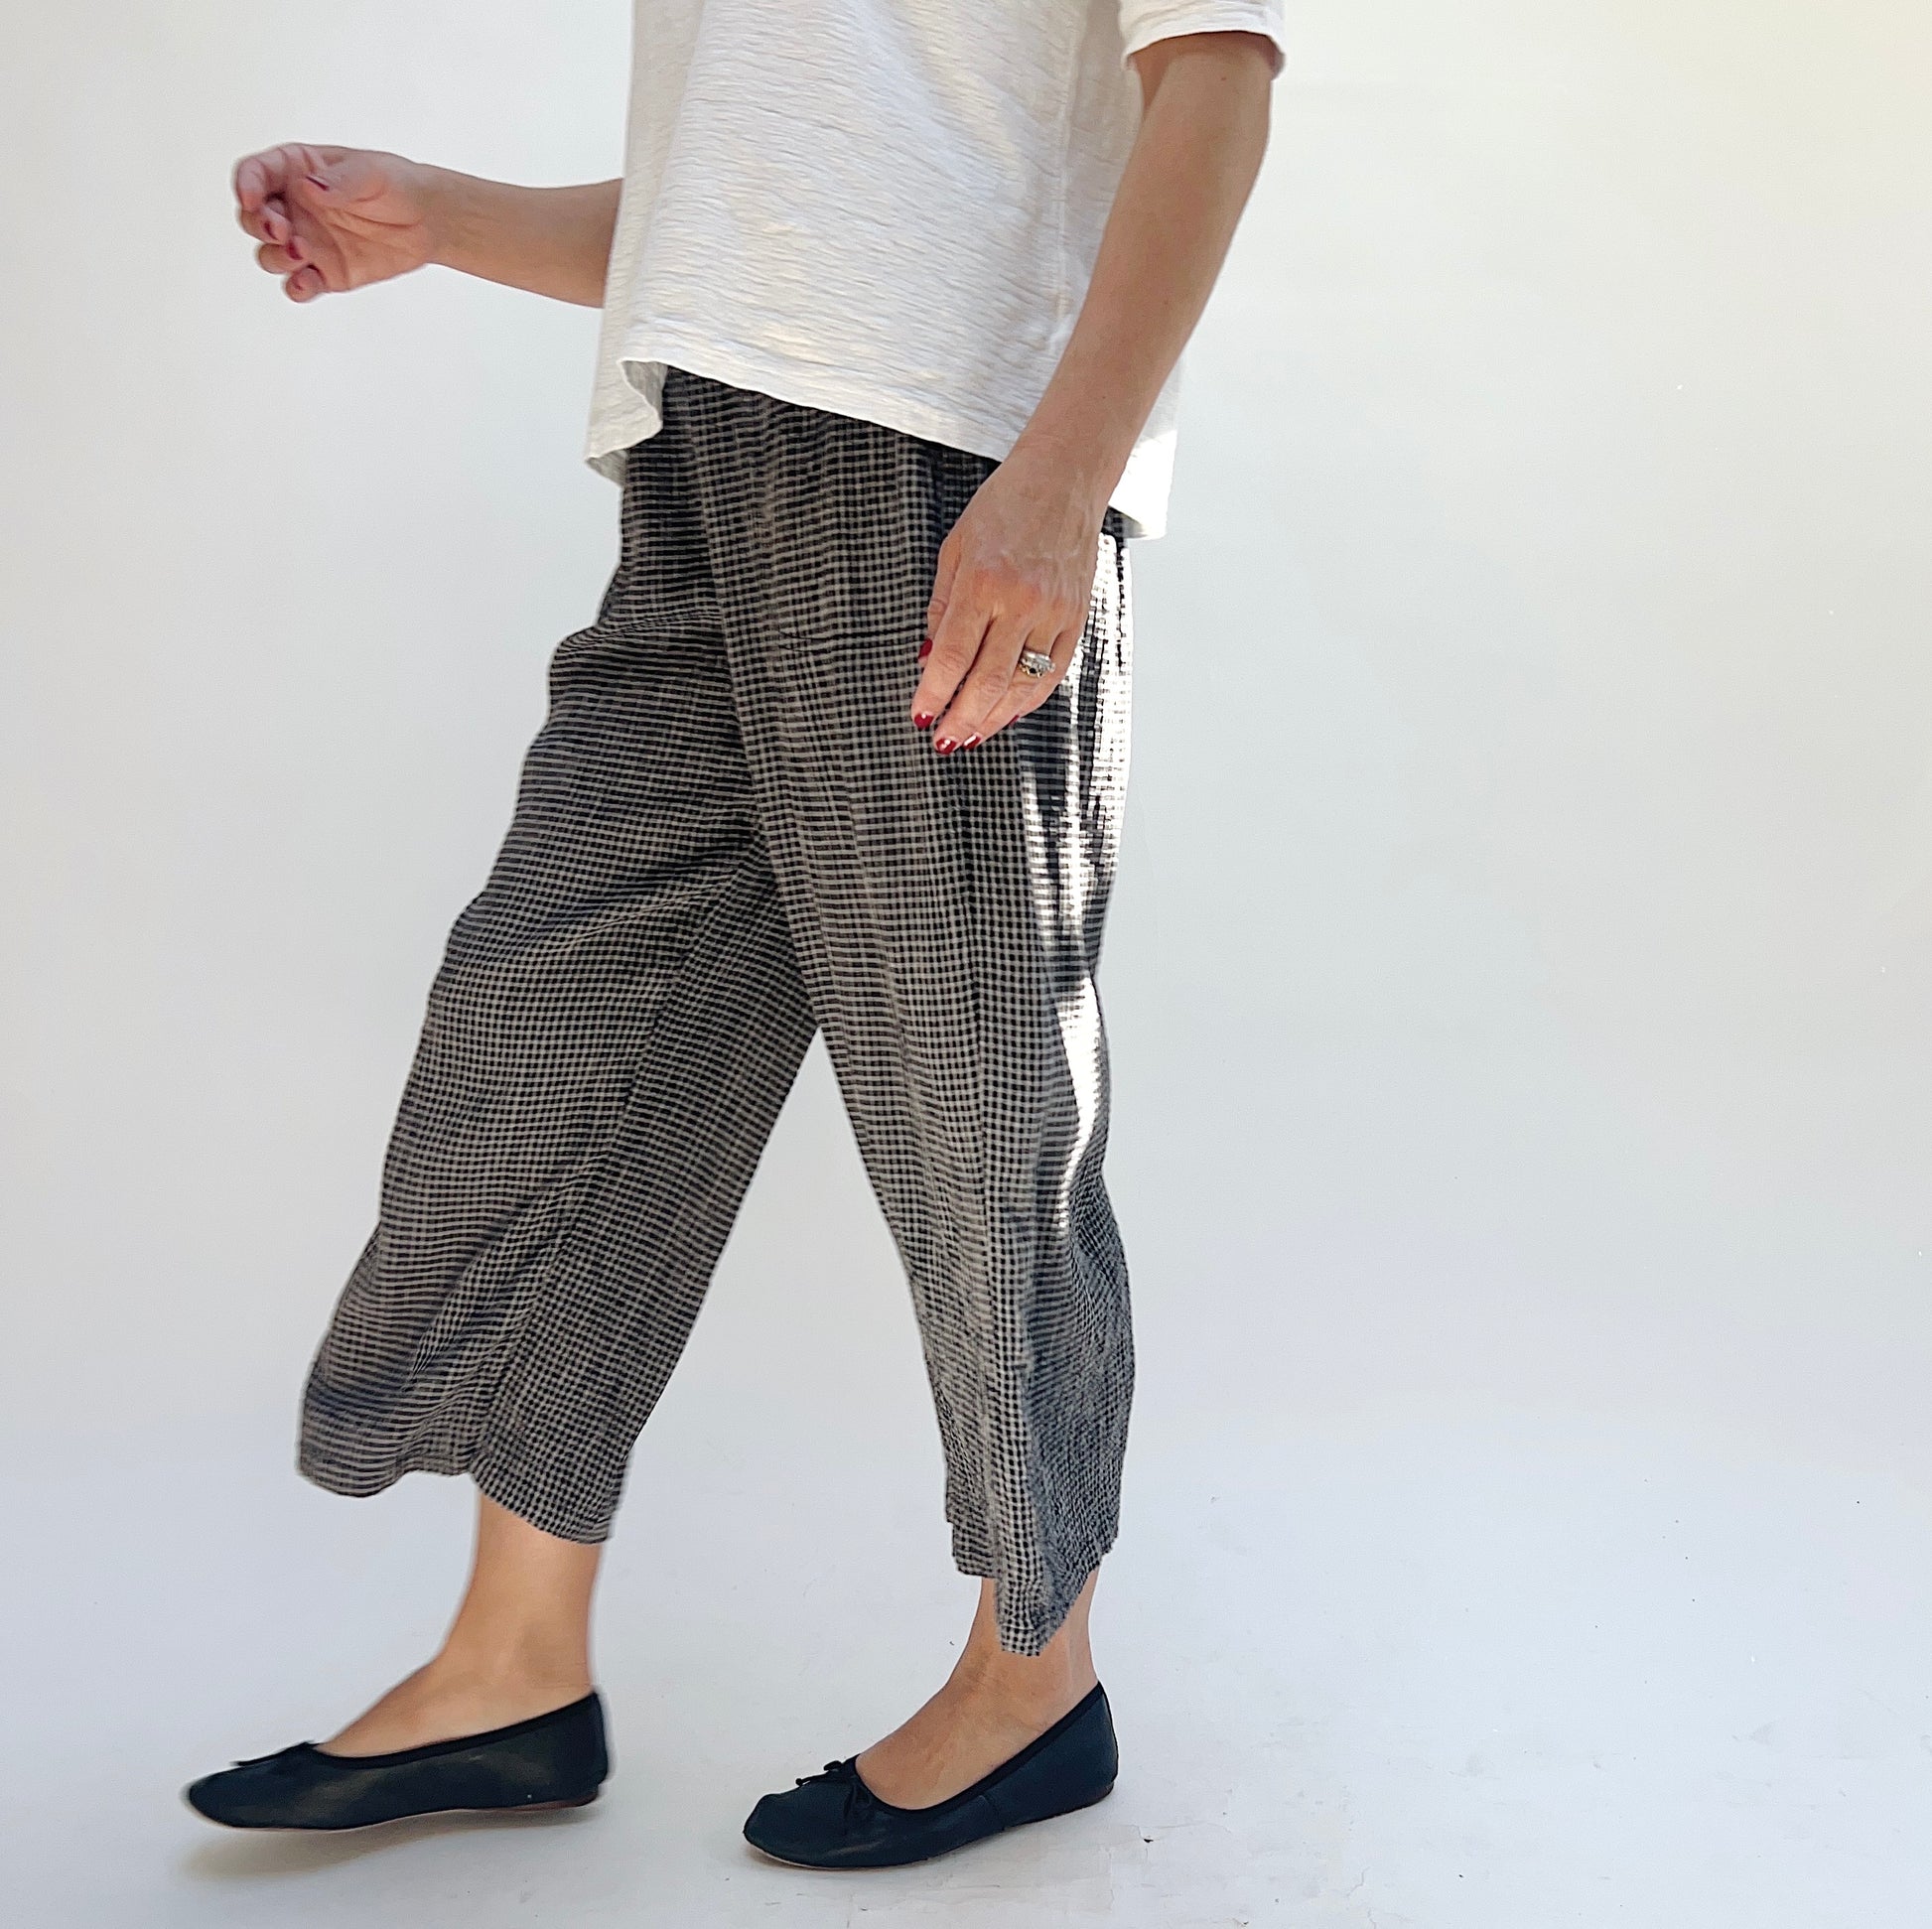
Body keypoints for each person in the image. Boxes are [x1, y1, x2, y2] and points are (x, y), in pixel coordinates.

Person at [184, 0, 1284, 1870]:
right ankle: (513, 1671)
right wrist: (444, 215)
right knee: (554, 1034)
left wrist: (1060, 479)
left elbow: (1217, 82)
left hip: (953, 474)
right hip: (702, 461)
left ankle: (1034, 1677)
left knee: (972, 1106)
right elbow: (778, 201)